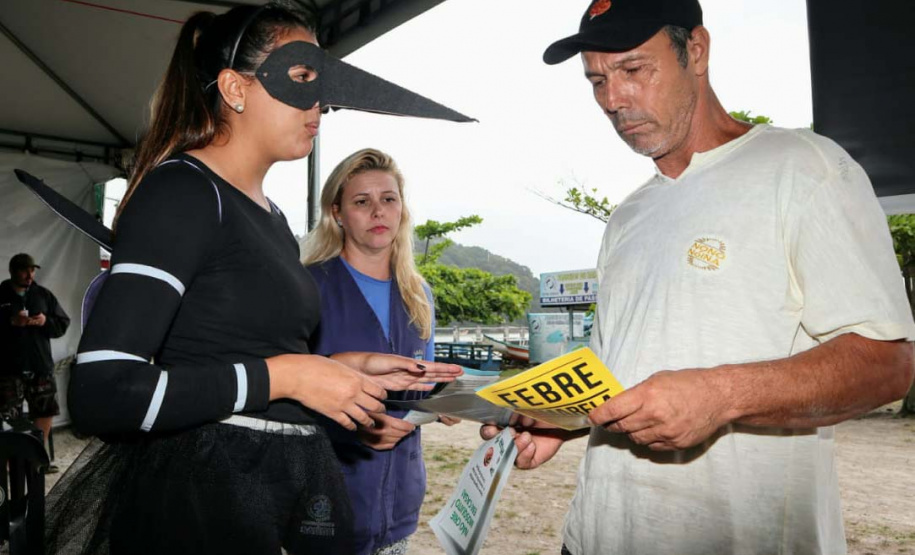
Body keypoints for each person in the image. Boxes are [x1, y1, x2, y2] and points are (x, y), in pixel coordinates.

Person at [483, 1, 915, 554]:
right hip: (596, 535)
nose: (613, 100)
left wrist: (721, 395)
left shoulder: (804, 168)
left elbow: (886, 364)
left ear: (697, 50)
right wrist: (564, 422)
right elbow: (625, 370)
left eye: (634, 70)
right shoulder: (628, 216)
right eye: (597, 80)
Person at [44, 5, 459, 555]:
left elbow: (234, 351)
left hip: (265, 492)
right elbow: (103, 392)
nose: (321, 102)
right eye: (302, 78)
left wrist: (336, 369)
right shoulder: (184, 193)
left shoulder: (272, 215)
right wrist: (287, 376)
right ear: (235, 88)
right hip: (199, 506)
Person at [303, 148, 456, 555]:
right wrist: (353, 427)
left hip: (399, 509)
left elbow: (423, 385)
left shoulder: (419, 293)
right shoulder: (306, 287)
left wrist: (451, 401)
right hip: (322, 504)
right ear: (336, 213)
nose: (378, 212)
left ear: (402, 209)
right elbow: (281, 392)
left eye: (388, 199)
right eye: (361, 201)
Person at [0, 253, 70, 472]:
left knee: (45, 410)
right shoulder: (0, 295)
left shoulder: (43, 295)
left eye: (32, 270)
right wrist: (11, 322)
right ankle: (12, 463)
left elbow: (62, 323)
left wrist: (44, 321)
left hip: (40, 365)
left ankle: (35, 459)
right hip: (8, 368)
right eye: (24, 270)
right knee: (9, 414)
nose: (30, 275)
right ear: (12, 271)